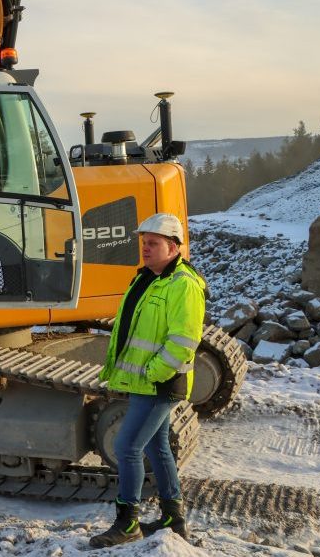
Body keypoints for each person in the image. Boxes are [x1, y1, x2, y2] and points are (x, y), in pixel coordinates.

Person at [89, 212, 206, 548]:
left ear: (174, 247)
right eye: (143, 243)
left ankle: (127, 523)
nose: (146, 248)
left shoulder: (182, 284)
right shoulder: (149, 278)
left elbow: (184, 340)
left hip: (158, 383)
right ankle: (174, 518)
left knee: (126, 447)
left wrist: (153, 373)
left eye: (153, 243)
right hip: (145, 381)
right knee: (156, 447)